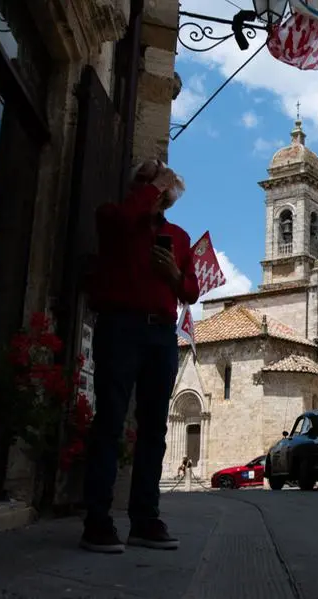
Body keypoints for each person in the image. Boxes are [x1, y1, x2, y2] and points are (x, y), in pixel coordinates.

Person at [80, 159, 199, 554]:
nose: (153, 185)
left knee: (154, 429)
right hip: (120, 326)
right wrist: (152, 187)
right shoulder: (114, 217)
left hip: (161, 335)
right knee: (110, 420)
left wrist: (172, 276)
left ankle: (145, 520)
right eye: (147, 179)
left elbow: (191, 292)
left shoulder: (178, 238)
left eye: (159, 181)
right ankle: (97, 521)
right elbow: (124, 218)